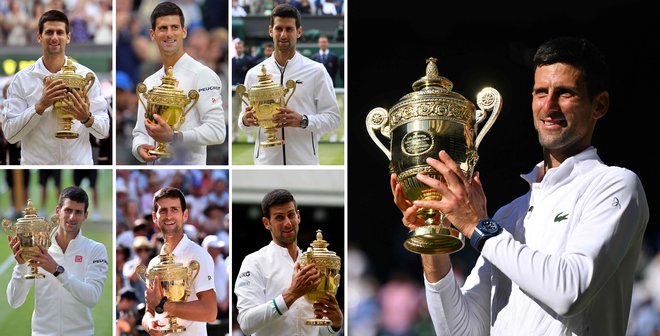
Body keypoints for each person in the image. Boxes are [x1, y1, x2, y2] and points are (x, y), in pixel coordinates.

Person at [390, 36, 650, 335]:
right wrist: (431, 233)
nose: (549, 106)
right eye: (541, 92)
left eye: (565, 93)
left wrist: (477, 226)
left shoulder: (615, 185)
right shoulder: (508, 216)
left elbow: (570, 292)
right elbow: (461, 331)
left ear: (599, 105)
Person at [1, 10, 110, 165]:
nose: (54, 37)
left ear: (68, 37)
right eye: (49, 32)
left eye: (59, 32)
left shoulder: (86, 76)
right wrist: (40, 106)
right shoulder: (21, 79)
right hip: (37, 164)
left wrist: (87, 118)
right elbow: (10, 135)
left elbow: (104, 130)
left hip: (78, 163)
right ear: (39, 37)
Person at [238, 4, 340, 165]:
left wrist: (303, 121)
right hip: (265, 163)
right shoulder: (253, 74)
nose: (283, 35)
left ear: (299, 32)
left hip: (304, 162)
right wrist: (245, 120)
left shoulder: (317, 71)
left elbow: (334, 119)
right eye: (279, 29)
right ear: (270, 31)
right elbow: (244, 124)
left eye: (289, 29)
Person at [234, 189, 343, 335]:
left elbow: (318, 330)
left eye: (291, 215)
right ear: (267, 223)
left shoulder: (315, 263)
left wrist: (335, 324)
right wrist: (292, 294)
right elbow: (246, 323)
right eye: (279, 217)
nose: (287, 223)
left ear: (298, 216)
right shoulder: (254, 262)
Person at [132, 1, 226, 165]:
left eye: (174, 27)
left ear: (184, 32)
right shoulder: (149, 82)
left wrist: (175, 137)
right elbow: (140, 131)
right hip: (153, 172)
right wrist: (139, 148)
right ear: (152, 34)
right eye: (163, 28)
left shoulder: (203, 75)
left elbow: (218, 131)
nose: (169, 34)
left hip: (187, 169)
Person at [6, 186, 109, 335]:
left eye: (78, 212)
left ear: (85, 215)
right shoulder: (38, 246)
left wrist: (57, 270)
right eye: (68, 210)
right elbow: (14, 301)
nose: (72, 217)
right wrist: (21, 266)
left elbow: (91, 297)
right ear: (57, 211)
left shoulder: (95, 249)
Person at [141, 187, 217, 335]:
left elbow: (210, 312)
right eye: (163, 210)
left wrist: (163, 305)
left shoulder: (198, 255)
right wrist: (149, 323)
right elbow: (149, 311)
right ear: (154, 217)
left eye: (174, 209)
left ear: (185, 215)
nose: (168, 216)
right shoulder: (154, 263)